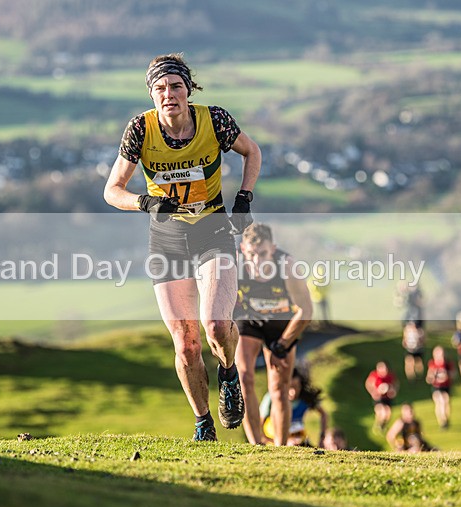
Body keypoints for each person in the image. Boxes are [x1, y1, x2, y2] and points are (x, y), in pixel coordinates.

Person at [103, 53, 262, 441]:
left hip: (212, 229)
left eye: (176, 86)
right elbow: (112, 190)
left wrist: (244, 198)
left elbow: (252, 151)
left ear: (188, 90)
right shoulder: (140, 129)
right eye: (160, 88)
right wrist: (144, 202)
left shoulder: (215, 120)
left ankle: (228, 374)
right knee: (186, 343)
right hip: (168, 239)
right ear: (151, 94)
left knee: (216, 325)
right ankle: (203, 423)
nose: (168, 94)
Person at [233, 224, 313, 446]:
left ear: (273, 250)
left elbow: (306, 311)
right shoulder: (233, 264)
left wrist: (283, 345)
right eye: (251, 254)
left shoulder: (287, 266)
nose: (257, 261)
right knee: (244, 378)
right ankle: (256, 444)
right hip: (249, 318)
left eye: (263, 254)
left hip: (281, 323)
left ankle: (280, 446)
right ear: (242, 249)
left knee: (279, 389)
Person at [259, 367, 327, 447]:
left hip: (298, 440)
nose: (293, 392)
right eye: (290, 387)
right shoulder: (272, 398)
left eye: (296, 387)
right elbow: (258, 427)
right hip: (274, 442)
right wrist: (278, 442)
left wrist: (322, 437)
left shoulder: (304, 398)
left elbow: (323, 414)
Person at [425, 346, 455, 429]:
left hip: (446, 386)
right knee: (440, 402)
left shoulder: (447, 364)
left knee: (446, 402)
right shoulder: (432, 364)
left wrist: (447, 376)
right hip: (437, 386)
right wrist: (432, 378)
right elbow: (428, 378)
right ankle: (441, 421)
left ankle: (446, 418)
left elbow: (453, 374)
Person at [364, 360, 399, 431]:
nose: (383, 370)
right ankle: (377, 425)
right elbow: (368, 384)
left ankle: (382, 425)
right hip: (378, 397)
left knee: (388, 414)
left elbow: (396, 383)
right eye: (381, 368)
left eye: (385, 368)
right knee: (382, 412)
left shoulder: (390, 376)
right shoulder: (374, 375)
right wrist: (373, 392)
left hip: (387, 397)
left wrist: (394, 391)